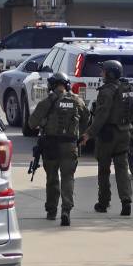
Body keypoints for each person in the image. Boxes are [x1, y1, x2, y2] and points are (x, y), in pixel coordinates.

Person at [30, 71, 90, 227]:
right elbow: (87, 118)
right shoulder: (77, 101)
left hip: (50, 146)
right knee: (68, 178)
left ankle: (51, 211)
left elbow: (31, 123)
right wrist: (78, 133)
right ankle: (66, 210)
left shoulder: (46, 102)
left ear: (52, 85)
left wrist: (44, 121)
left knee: (52, 179)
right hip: (70, 146)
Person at [80, 60, 133, 216]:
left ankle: (103, 203)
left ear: (110, 74)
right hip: (125, 133)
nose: (101, 74)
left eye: (103, 71)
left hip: (108, 135)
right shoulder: (127, 89)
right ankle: (126, 201)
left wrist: (88, 133)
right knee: (122, 169)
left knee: (104, 170)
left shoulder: (106, 92)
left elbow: (101, 116)